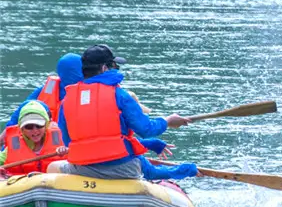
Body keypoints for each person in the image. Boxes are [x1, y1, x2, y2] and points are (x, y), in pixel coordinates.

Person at [47, 44, 194, 180]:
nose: (116, 69)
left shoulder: (67, 100)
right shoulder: (120, 95)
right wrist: (167, 121)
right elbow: (146, 129)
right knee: (140, 161)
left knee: (53, 167)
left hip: (82, 169)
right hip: (123, 170)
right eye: (114, 66)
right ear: (104, 68)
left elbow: (68, 141)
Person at [0, 53, 83, 144]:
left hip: (41, 142)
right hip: (56, 146)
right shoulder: (86, 93)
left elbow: (18, 116)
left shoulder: (44, 90)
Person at [0, 101, 68, 177]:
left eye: (39, 125)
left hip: (53, 184)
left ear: (46, 125)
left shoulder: (62, 140)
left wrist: (65, 153)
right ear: (22, 129)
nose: (35, 131)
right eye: (29, 127)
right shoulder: (11, 149)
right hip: (21, 185)